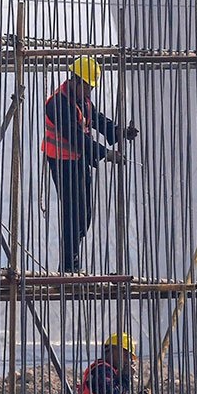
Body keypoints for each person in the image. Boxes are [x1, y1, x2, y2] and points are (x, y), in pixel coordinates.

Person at [41, 56, 138, 273]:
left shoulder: (81, 100)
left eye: (91, 88)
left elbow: (96, 118)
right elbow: (76, 137)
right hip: (61, 162)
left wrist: (118, 131)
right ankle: (68, 267)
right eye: (86, 86)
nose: (89, 92)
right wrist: (106, 154)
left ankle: (72, 259)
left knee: (84, 215)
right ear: (75, 80)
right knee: (72, 212)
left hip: (77, 160)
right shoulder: (57, 104)